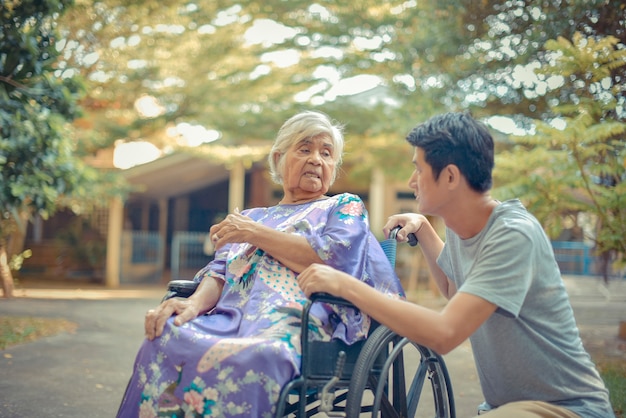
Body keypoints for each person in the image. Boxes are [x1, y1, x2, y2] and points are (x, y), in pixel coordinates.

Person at [298, 112, 614, 418]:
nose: (411, 181)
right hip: (509, 407)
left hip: (566, 407)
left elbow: (446, 333)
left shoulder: (514, 235)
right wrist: (424, 229)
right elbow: (453, 288)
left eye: (418, 170)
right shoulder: (463, 225)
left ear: (449, 176)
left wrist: (345, 285)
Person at [116, 110, 404, 417]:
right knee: (164, 335)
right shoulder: (252, 217)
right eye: (304, 149)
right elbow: (221, 272)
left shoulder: (342, 206)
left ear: (334, 167)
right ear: (279, 158)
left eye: (326, 153)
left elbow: (332, 259)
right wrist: (193, 304)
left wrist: (254, 233)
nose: (316, 160)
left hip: (297, 322)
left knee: (257, 355)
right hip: (231, 318)